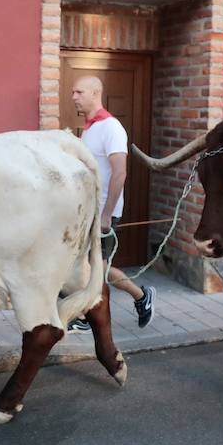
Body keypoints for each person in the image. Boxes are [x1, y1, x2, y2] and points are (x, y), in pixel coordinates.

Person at [66, 75, 155, 330]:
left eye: (79, 92)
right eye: (73, 92)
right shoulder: (90, 128)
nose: (74, 97)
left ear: (96, 93)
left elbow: (120, 173)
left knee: (99, 268)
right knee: (89, 266)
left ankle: (140, 296)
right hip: (88, 211)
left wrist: (107, 214)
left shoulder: (111, 127)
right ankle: (87, 314)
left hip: (104, 212)